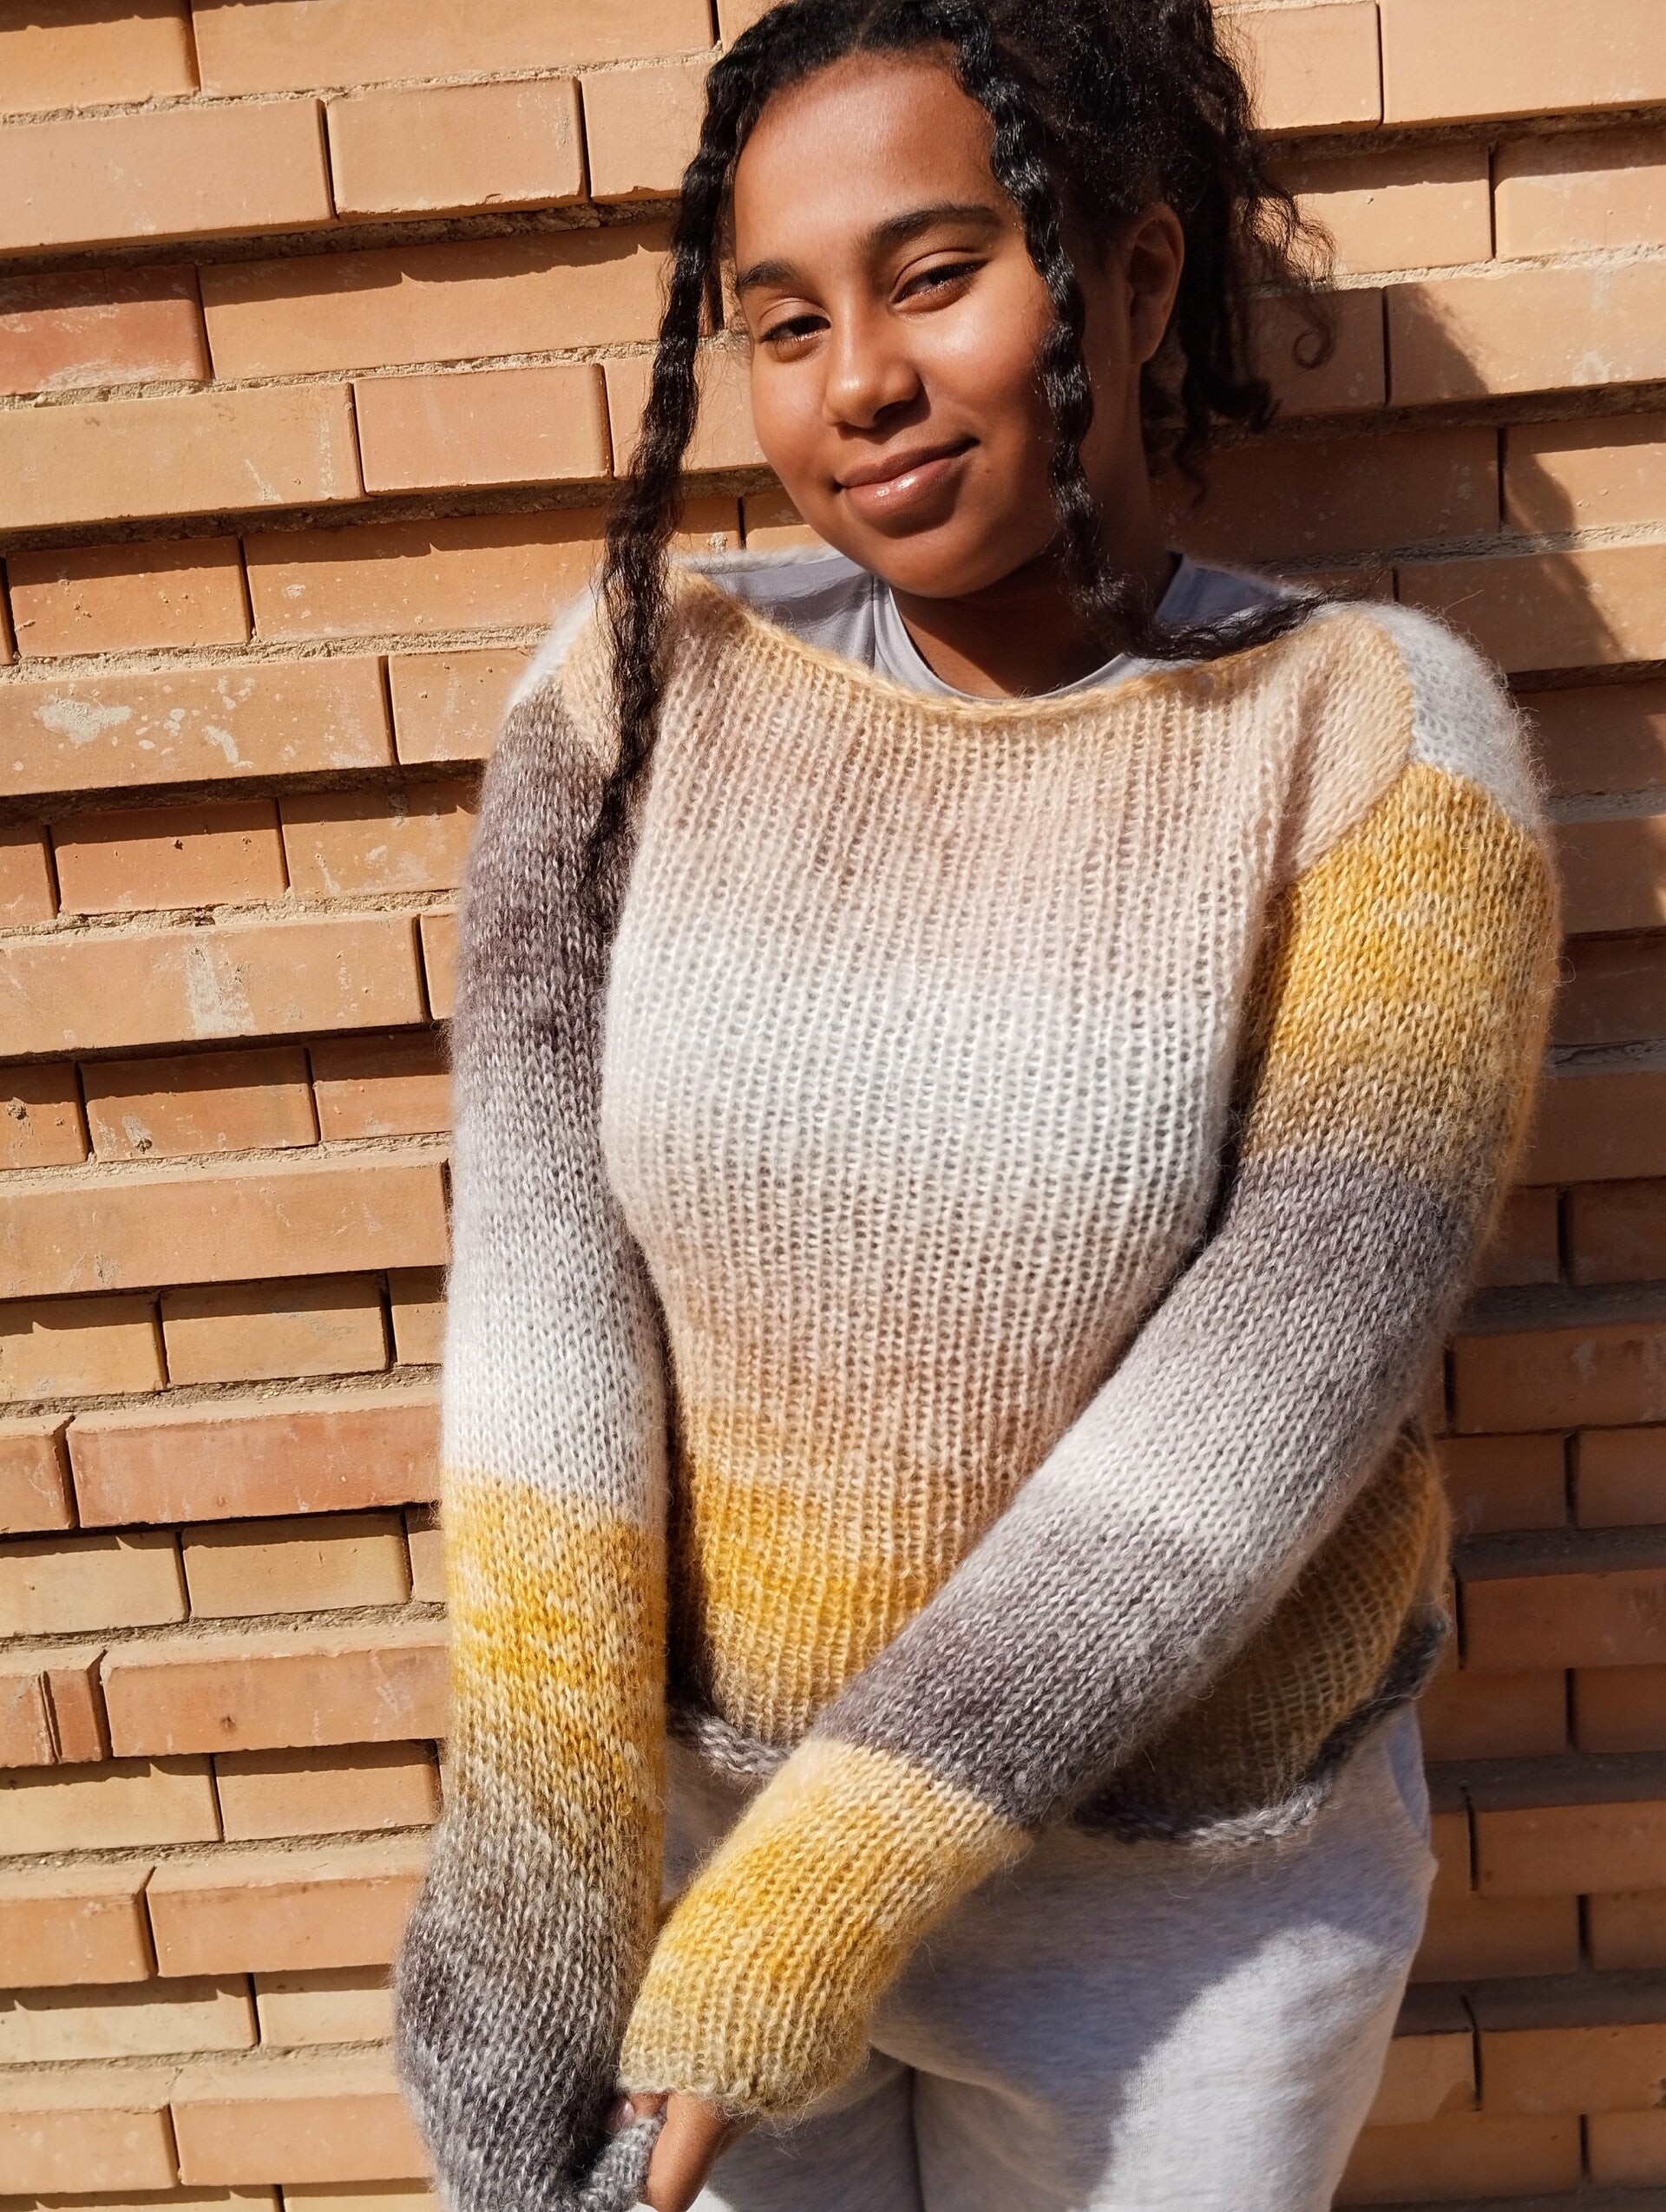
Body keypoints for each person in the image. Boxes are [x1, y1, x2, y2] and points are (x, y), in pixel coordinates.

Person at [390, 3, 1563, 2209]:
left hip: (1171, 1927)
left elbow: (1274, 1388)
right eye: (785, 324)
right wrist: (540, 1899)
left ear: (1134, 275)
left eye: (936, 277)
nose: (860, 382)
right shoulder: (633, 700)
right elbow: (540, 1294)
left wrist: (806, 1911)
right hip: (700, 1846)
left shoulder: (1379, 752)